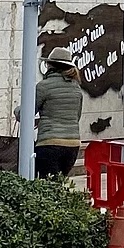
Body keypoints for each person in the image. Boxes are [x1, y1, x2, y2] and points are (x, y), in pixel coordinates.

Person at [15, 46, 83, 178]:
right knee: (58, 185)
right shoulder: (76, 88)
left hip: (49, 144)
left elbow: (24, 114)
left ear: (48, 65)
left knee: (46, 186)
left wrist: (16, 110)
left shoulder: (44, 86)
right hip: (73, 145)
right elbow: (76, 116)